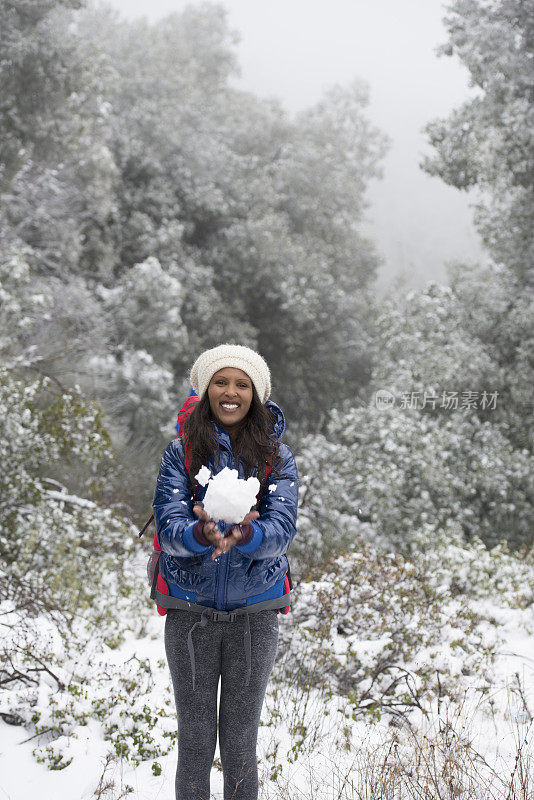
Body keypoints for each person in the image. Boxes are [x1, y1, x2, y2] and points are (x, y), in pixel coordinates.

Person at [152, 343, 298, 800]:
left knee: (240, 745)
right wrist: (201, 534)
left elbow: (281, 529)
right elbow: (169, 524)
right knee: (195, 745)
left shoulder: (277, 456)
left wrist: (245, 538)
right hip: (189, 616)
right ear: (205, 388)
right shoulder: (181, 454)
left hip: (255, 615)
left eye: (241, 383)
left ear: (256, 393)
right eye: (220, 381)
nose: (230, 392)